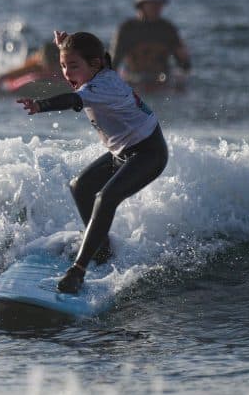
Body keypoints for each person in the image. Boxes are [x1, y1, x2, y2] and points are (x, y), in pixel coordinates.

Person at [17, 31, 168, 293]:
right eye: (63, 65)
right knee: (81, 187)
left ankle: (79, 270)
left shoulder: (102, 86)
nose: (66, 73)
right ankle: (102, 249)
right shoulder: (99, 71)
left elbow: (72, 99)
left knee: (105, 198)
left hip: (148, 153)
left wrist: (41, 106)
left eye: (73, 66)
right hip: (123, 152)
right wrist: (64, 46)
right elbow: (83, 69)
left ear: (96, 64)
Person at [111, 0, 191, 90]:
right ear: (141, 5)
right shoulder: (127, 29)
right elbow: (114, 63)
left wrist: (184, 59)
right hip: (134, 80)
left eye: (159, 4)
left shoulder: (168, 29)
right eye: (153, 4)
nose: (157, 8)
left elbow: (184, 67)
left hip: (161, 80)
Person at [0, 40, 64, 96]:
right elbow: (2, 77)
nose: (53, 70)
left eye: (56, 66)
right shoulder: (35, 66)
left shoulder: (65, 64)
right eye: (50, 67)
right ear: (45, 64)